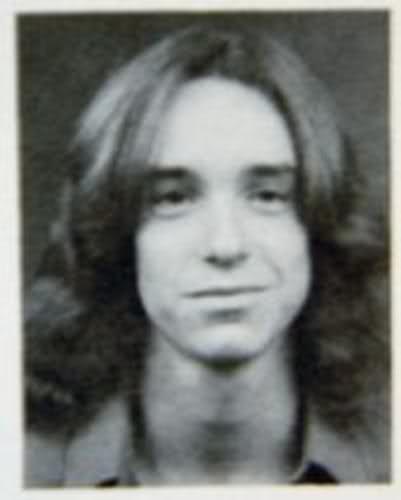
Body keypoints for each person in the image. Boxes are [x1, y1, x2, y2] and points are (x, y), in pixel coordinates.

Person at [24, 25, 389, 486]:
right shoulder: (27, 469)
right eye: (173, 198)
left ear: (319, 223)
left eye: (268, 195)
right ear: (115, 233)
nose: (225, 245)